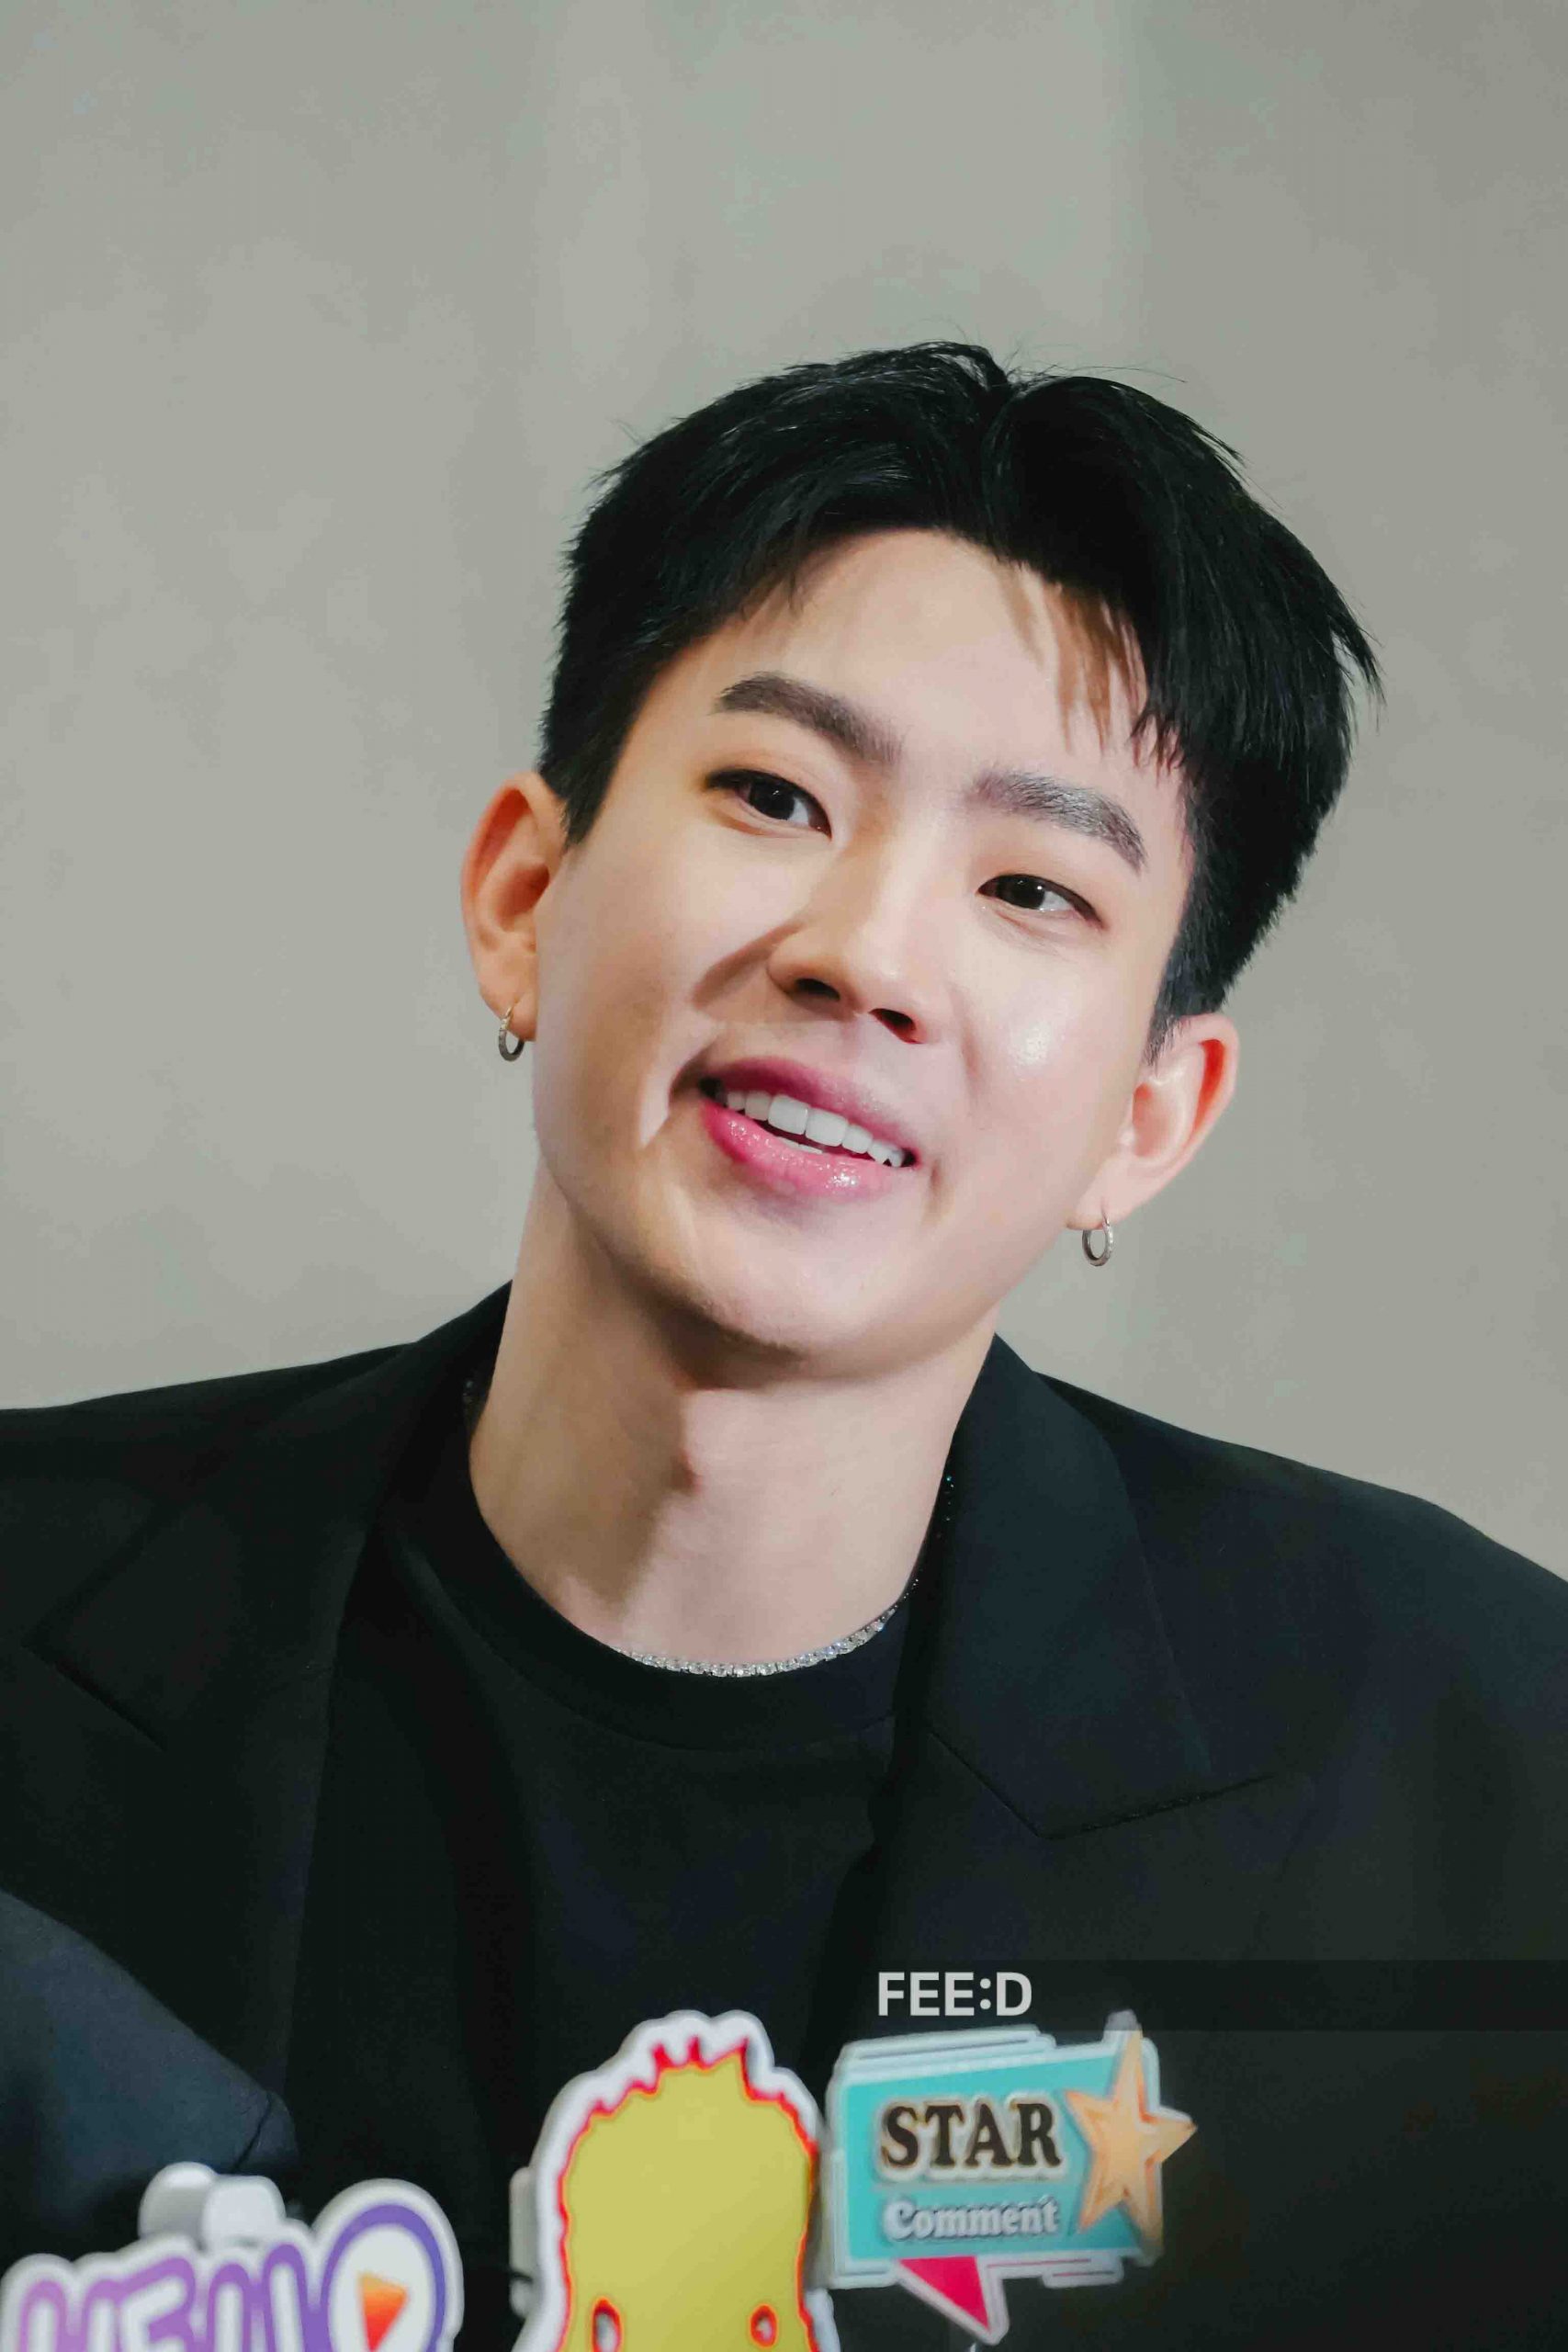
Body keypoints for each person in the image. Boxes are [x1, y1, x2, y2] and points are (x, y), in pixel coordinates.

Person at [2, 345, 1563, 2348]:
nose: (864, 954)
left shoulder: (1479, 1786)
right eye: (773, 794)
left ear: (1149, 1115)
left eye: (1030, 886)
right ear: (524, 895)